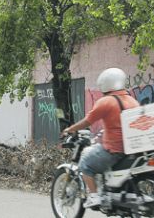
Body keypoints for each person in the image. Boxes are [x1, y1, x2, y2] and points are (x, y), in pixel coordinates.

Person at [60, 68, 140, 209]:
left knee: (85, 163)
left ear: (105, 84)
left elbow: (87, 121)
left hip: (113, 150)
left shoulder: (106, 101)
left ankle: (94, 196)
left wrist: (70, 129)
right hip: (131, 149)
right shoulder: (132, 101)